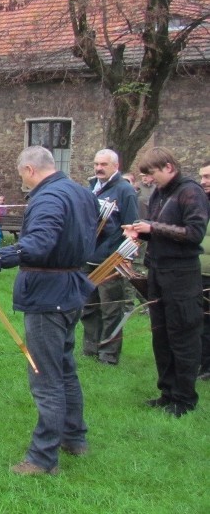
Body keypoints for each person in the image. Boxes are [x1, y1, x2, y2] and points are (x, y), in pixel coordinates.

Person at [0, 146, 97, 475]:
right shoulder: (81, 192)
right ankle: (74, 438)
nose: (23, 180)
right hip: (70, 290)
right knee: (64, 367)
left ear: (30, 170)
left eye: (22, 175)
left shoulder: (49, 197)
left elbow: (39, 242)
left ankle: (43, 458)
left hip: (51, 296)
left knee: (46, 376)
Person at [123, 148, 209, 417]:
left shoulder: (190, 191)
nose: (150, 179)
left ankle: (184, 398)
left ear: (169, 167)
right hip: (158, 270)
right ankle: (167, 392)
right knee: (161, 334)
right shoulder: (160, 193)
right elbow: (160, 230)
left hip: (182, 274)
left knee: (183, 333)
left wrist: (153, 228)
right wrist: (141, 230)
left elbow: (194, 233)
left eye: (153, 173)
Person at [81, 149, 139, 366]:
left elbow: (132, 227)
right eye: (96, 164)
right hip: (88, 257)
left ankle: (108, 355)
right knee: (88, 306)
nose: (99, 168)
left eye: (104, 164)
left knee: (111, 309)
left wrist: (125, 257)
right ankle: (90, 349)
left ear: (116, 166)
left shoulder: (125, 191)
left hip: (111, 259)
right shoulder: (92, 188)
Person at [198, 160, 210, 381]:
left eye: (207, 177)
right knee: (201, 321)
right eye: (202, 177)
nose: (203, 182)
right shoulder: (201, 202)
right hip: (199, 272)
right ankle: (204, 364)